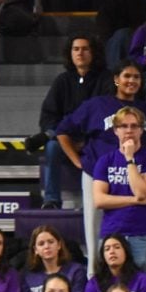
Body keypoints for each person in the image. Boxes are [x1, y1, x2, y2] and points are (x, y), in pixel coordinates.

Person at [55, 61, 146, 270]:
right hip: (100, 172)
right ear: (116, 79)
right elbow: (62, 130)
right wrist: (76, 160)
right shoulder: (97, 105)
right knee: (95, 228)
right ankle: (93, 274)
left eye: (136, 77)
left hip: (137, 173)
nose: (131, 81)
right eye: (127, 76)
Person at [28, 35, 107, 209]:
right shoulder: (62, 81)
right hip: (66, 141)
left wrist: (85, 140)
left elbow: (106, 114)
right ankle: (52, 200)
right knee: (52, 147)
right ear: (70, 53)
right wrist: (67, 139)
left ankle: (101, 198)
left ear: (93, 53)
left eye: (85, 49)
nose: (80, 53)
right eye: (76, 49)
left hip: (94, 140)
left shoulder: (105, 79)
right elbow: (48, 116)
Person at [91, 105, 146, 274]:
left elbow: (141, 192)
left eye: (134, 126)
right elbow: (99, 200)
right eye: (124, 126)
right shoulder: (105, 160)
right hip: (110, 234)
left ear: (141, 130)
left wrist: (129, 159)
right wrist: (134, 200)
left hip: (140, 234)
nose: (129, 130)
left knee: (141, 290)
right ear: (115, 130)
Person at [21, 225, 88, 292]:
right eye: (41, 244)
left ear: (59, 245)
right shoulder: (28, 276)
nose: (46, 246)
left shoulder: (76, 271)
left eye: (51, 242)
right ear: (35, 250)